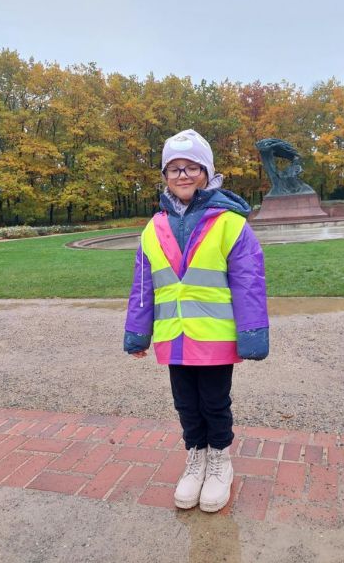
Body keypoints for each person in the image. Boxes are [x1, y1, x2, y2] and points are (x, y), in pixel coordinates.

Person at [123, 129, 269, 512]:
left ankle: (220, 461)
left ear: (206, 172)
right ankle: (197, 458)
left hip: (215, 337)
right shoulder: (153, 228)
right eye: (174, 168)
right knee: (186, 404)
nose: (183, 175)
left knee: (214, 403)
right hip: (175, 335)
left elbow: (249, 282)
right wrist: (137, 333)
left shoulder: (230, 223)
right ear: (165, 176)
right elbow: (143, 286)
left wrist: (252, 335)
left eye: (191, 167)